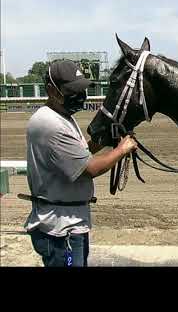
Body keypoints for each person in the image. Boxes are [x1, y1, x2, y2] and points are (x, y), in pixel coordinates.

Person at [24, 60, 137, 267]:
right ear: (52, 90)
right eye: (72, 91)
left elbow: (76, 154)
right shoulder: (50, 124)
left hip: (69, 224)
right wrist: (122, 150)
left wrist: (101, 142)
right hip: (61, 230)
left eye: (82, 89)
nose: (80, 96)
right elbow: (90, 169)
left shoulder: (62, 116)